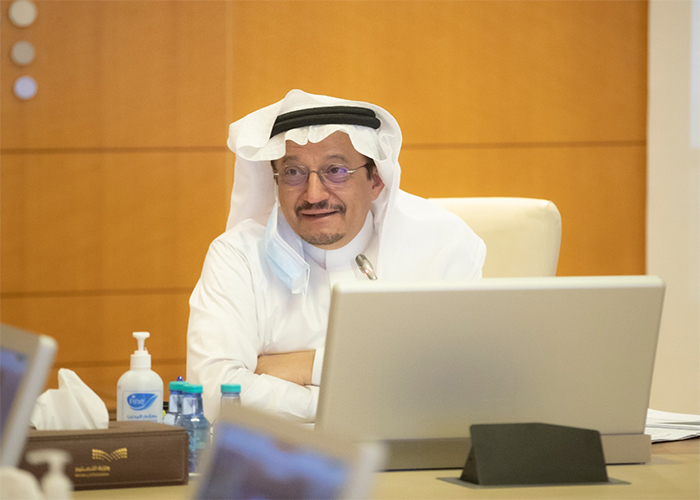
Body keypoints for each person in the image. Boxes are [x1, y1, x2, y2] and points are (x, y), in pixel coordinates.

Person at [187, 90, 486, 423]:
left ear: (376, 180)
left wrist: (309, 366)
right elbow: (216, 395)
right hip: (281, 451)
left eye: (337, 170)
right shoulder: (238, 255)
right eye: (293, 172)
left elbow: (459, 384)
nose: (314, 194)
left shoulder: (442, 245)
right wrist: (363, 398)